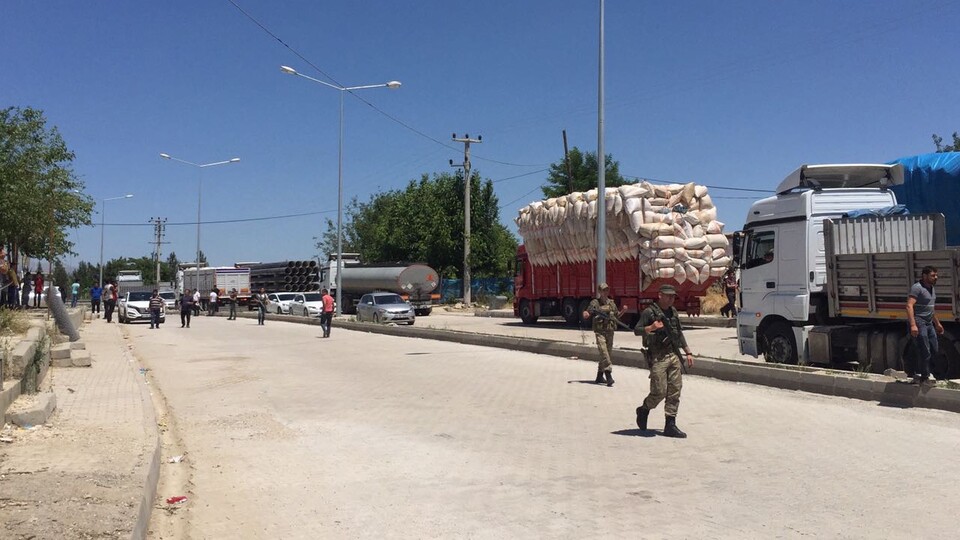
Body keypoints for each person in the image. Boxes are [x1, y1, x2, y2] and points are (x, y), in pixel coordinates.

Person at [635, 284, 695, 438]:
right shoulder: (649, 312)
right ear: (660, 295)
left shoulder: (673, 312)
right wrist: (651, 327)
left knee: (675, 390)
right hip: (658, 357)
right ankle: (644, 409)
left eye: (673, 296)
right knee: (659, 391)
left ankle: (670, 424)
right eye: (668, 296)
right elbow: (637, 330)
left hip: (673, 355)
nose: (671, 299)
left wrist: (688, 352)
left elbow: (678, 333)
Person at [582, 282, 626, 386]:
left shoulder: (611, 303)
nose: (605, 292)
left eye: (606, 290)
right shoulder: (595, 303)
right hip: (600, 332)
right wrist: (586, 314)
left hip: (610, 332)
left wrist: (623, 311)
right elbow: (589, 312)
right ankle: (608, 375)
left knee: (607, 354)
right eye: (603, 290)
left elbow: (616, 316)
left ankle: (599, 376)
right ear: (599, 292)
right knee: (604, 352)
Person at [906, 265, 944, 385]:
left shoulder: (931, 288)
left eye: (936, 275)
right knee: (924, 350)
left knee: (934, 348)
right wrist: (913, 325)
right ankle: (924, 377)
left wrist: (937, 324)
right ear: (924, 275)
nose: (935, 277)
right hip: (919, 321)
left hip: (928, 323)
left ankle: (921, 374)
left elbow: (930, 309)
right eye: (933, 275)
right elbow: (909, 306)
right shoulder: (917, 288)